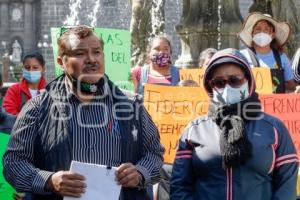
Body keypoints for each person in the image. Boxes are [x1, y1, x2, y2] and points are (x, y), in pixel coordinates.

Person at [3, 25, 164, 200]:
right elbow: (13, 163)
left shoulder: (132, 105)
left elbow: (154, 154)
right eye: (80, 54)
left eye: (97, 52)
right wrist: (48, 180)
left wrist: (140, 173)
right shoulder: (37, 108)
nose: (91, 59)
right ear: (61, 62)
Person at [170, 48, 298, 199]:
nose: (227, 87)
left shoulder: (274, 128)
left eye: (235, 80)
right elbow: (179, 186)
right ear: (210, 87)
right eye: (219, 82)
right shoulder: (194, 130)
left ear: (248, 82)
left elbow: (286, 186)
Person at [238, 12, 295, 93]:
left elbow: (291, 86)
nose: (262, 32)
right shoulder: (242, 56)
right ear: (252, 33)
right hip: (251, 105)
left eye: (266, 29)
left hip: (276, 104)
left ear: (272, 34)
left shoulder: (282, 57)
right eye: (258, 29)